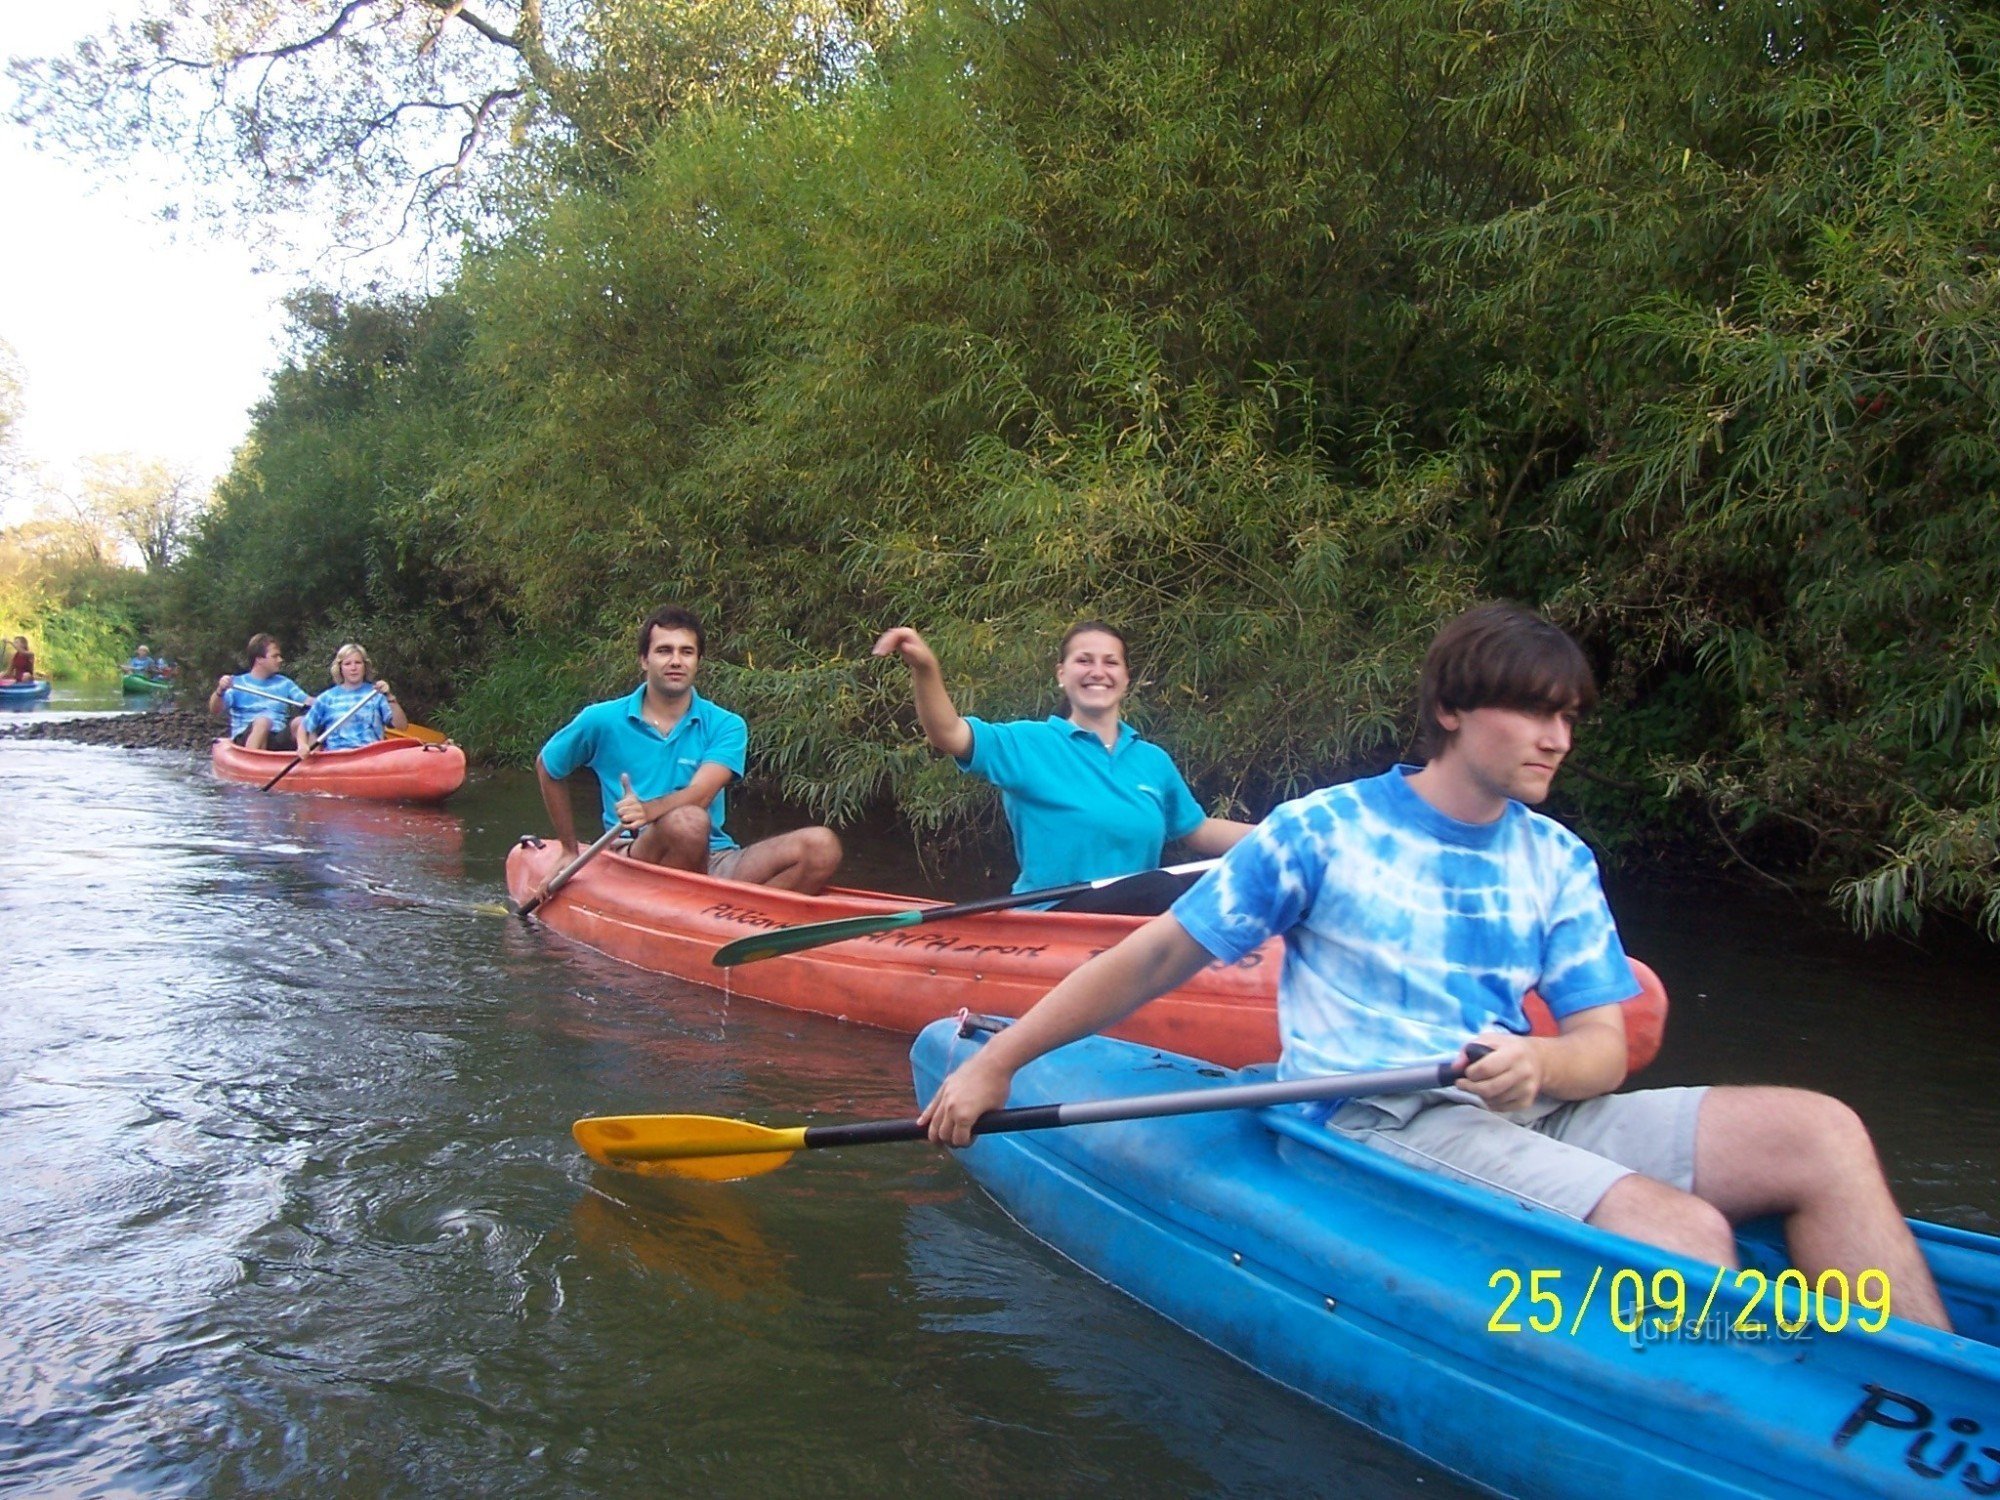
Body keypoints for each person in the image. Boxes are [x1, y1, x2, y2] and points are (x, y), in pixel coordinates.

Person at [922, 602, 1952, 1330]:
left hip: (1521, 1111)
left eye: (1566, 719)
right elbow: (1155, 956)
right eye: (1534, 714)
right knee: (1679, 1233)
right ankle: (1738, 1418)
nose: (1556, 738)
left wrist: (1539, 1068)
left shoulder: (1555, 857)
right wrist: (997, 1060)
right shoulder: (1323, 829)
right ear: (1455, 711)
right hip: (1377, 1115)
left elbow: (1597, 1042)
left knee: (1819, 1131)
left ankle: (1926, 1403)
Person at [872, 621, 1254, 912]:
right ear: (1061, 674)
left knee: (1228, 879)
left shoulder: (1152, 760)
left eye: (1110, 662)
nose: (1097, 671)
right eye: (1083, 660)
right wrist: (926, 668)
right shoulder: (1028, 742)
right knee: (1164, 888)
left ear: (1125, 677)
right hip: (1057, 915)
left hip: (1137, 921)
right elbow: (948, 733)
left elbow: (1199, 830)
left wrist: (1292, 832)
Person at [532, 605, 843, 897]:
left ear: (698, 661)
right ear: (644, 660)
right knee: (688, 824)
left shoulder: (727, 724)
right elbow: (548, 767)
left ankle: (743, 924)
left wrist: (647, 809)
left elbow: (701, 794)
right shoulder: (601, 719)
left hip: (716, 856)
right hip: (636, 854)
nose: (676, 661)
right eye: (664, 651)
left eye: (686, 652)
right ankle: (698, 911)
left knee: (822, 846)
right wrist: (569, 848)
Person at [208, 633, 312, 750]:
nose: (280, 660)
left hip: (276, 737)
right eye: (275, 656)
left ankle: (309, 762)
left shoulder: (284, 683)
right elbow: (215, 709)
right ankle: (250, 760)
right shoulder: (236, 683)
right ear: (259, 659)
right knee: (263, 722)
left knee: (301, 722)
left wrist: (328, 701)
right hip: (246, 737)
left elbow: (307, 701)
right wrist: (220, 690)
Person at [299, 643, 408, 752]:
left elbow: (402, 726)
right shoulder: (327, 698)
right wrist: (302, 745)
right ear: (340, 668)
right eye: (347, 664)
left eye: (358, 663)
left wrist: (389, 696)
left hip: (370, 755)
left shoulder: (376, 694)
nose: (353, 668)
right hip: (337, 757)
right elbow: (304, 726)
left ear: (365, 666)